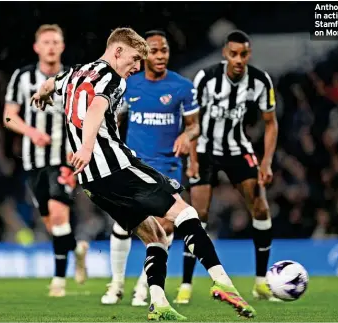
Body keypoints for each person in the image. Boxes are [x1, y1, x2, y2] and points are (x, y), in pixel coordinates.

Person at [31, 27, 256, 320]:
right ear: (118, 51)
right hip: (116, 167)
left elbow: (52, 82)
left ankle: (158, 303)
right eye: (135, 58)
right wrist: (86, 147)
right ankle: (224, 284)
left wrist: (41, 92)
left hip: (92, 183)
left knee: (156, 235)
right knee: (186, 214)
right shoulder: (113, 78)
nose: (137, 67)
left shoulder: (75, 74)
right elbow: (98, 106)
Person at [174, 30, 280, 304]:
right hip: (206, 148)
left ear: (249, 54)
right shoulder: (206, 78)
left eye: (243, 54)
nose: (238, 59)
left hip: (237, 149)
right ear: (225, 53)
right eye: (233, 53)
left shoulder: (259, 81)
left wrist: (266, 162)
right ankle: (185, 284)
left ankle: (260, 283)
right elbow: (191, 122)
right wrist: (194, 160)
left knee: (260, 206)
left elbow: (270, 122)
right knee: (197, 215)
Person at [100, 30, 200, 307]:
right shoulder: (128, 85)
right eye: (154, 51)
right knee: (123, 224)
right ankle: (117, 284)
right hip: (134, 165)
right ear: (144, 55)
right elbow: (115, 123)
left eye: (164, 50)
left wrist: (187, 136)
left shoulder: (182, 87)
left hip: (168, 166)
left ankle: (145, 287)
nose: (160, 56)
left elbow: (195, 126)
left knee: (165, 227)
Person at [3, 24, 88, 297]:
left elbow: (86, 117)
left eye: (55, 41)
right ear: (37, 48)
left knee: (59, 211)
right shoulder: (23, 77)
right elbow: (8, 116)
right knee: (52, 223)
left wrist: (79, 150)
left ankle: (59, 280)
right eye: (46, 42)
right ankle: (76, 250)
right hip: (33, 161)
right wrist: (31, 132)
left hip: (64, 158)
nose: (51, 46)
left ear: (62, 46)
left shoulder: (74, 78)